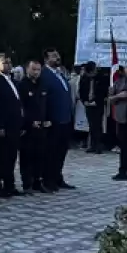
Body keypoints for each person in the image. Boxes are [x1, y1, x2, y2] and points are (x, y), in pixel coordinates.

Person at [41, 48, 76, 191]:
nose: (57, 58)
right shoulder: (44, 74)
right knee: (51, 152)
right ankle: (48, 180)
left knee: (62, 151)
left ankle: (57, 177)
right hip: (53, 120)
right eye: (53, 56)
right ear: (46, 59)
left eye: (57, 55)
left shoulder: (60, 73)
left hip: (65, 119)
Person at [0, 54, 23, 197]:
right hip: (3, 125)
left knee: (11, 157)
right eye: (4, 63)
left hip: (14, 124)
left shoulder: (13, 81)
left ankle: (9, 185)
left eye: (10, 63)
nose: (8, 65)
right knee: (0, 157)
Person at [18, 60, 48, 193]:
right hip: (28, 128)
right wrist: (29, 122)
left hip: (42, 126)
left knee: (40, 155)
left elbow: (45, 104)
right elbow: (21, 107)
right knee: (27, 156)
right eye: (33, 69)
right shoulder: (22, 85)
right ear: (27, 70)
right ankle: (27, 183)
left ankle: (38, 181)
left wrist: (47, 120)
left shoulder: (42, 84)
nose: (36, 72)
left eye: (38, 70)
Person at [79, 61, 108, 154]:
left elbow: (103, 91)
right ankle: (92, 145)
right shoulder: (84, 78)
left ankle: (98, 145)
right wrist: (85, 101)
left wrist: (97, 101)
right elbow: (81, 91)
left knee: (98, 125)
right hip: (88, 104)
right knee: (91, 125)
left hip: (97, 105)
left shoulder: (101, 78)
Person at [108, 67, 127, 181]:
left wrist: (116, 96)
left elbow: (125, 94)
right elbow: (112, 96)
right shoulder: (119, 81)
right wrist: (114, 95)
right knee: (124, 145)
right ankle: (123, 170)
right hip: (121, 117)